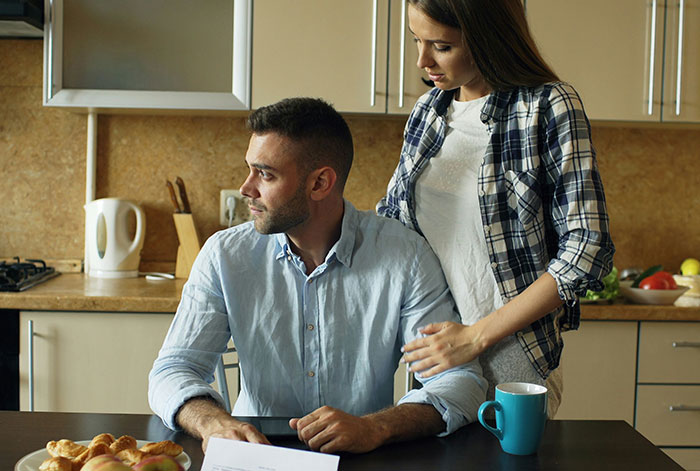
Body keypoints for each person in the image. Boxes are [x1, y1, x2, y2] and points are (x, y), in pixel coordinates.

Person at [148, 97, 487, 454]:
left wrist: (377, 426)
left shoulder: (406, 256)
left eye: (265, 174)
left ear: (320, 183)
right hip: (255, 455)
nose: (246, 188)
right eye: (250, 170)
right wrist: (212, 422)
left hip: (360, 456)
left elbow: (460, 382)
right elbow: (173, 370)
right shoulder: (224, 255)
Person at [377, 0, 615, 417]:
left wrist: (475, 337)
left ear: (488, 38)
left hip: (511, 352)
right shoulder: (426, 113)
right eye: (417, 41)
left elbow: (586, 248)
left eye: (441, 46)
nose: (422, 61)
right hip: (436, 352)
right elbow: (393, 224)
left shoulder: (548, 105)